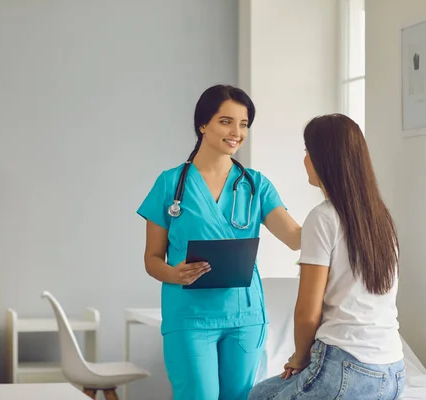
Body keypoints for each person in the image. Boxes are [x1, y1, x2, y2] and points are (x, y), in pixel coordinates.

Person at [137, 84, 302, 400]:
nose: (236, 132)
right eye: (226, 121)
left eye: (243, 124)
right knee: (198, 395)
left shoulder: (256, 185)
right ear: (203, 124)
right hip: (190, 317)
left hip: (245, 318)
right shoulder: (170, 183)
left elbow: (295, 238)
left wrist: (340, 211)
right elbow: (152, 258)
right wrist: (174, 273)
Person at [248, 113, 405, 400]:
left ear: (324, 158)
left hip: (346, 366)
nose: (304, 160)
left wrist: (299, 357)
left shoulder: (322, 218)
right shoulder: (381, 218)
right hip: (393, 371)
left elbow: (308, 311)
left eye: (307, 152)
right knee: (261, 393)